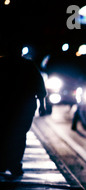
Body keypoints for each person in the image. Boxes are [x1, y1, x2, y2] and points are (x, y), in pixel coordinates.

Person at [0, 41, 47, 177]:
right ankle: (14, 164)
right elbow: (40, 86)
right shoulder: (28, 66)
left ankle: (6, 163)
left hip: (8, 106)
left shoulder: (3, 65)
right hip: (23, 107)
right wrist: (42, 105)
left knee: (5, 134)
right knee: (19, 136)